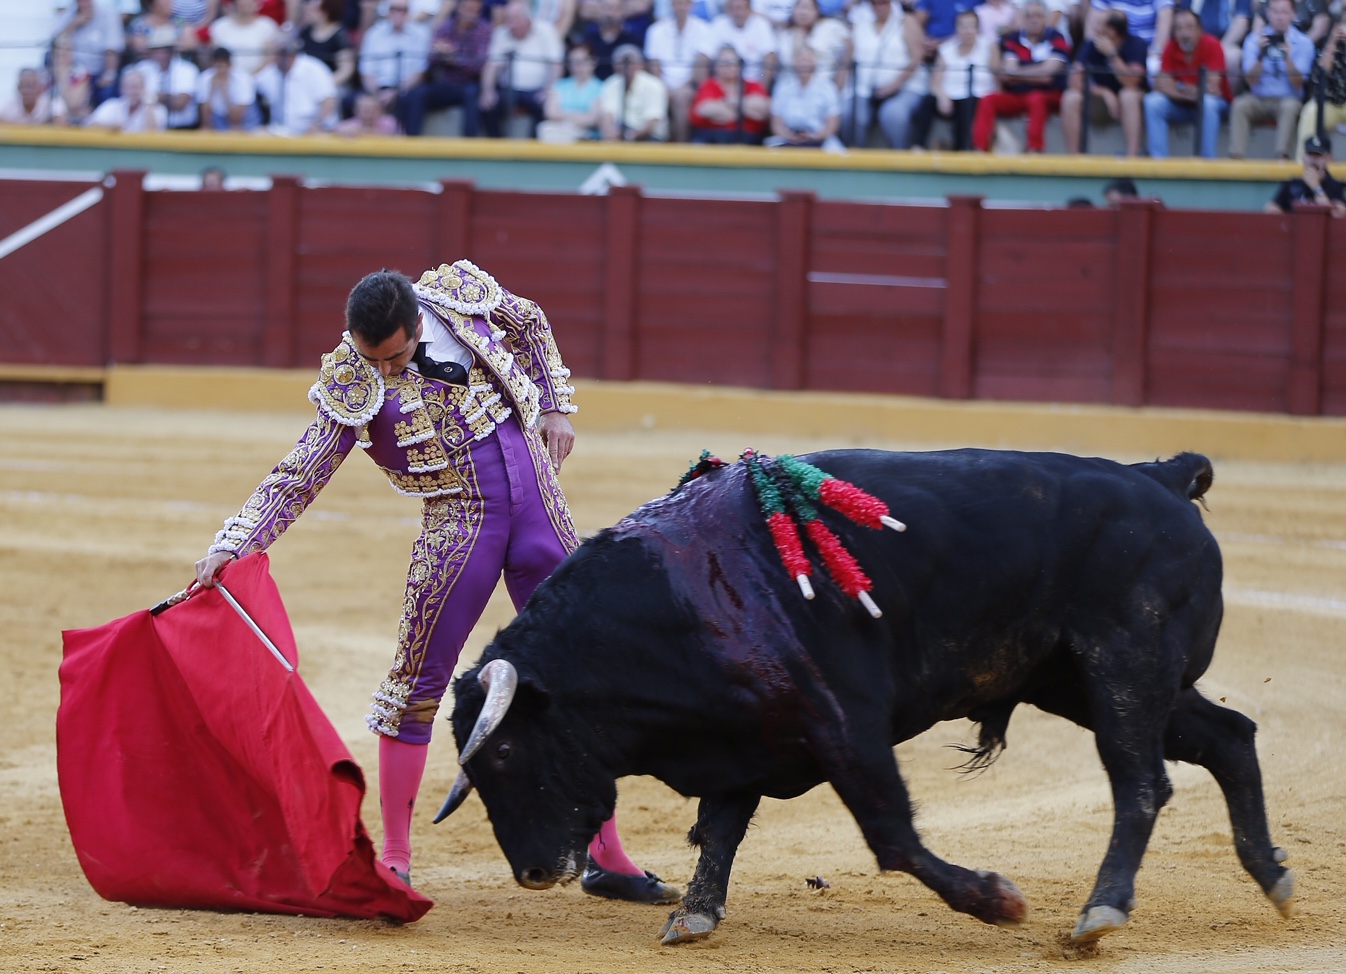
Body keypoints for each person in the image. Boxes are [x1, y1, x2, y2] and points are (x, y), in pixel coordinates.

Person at [193, 262, 681, 904]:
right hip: (459, 524)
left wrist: (555, 405)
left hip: (539, 504)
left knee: (584, 678)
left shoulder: (458, 299)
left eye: (394, 357)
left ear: (417, 324)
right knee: (415, 686)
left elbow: (529, 322)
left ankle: (606, 856)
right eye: (372, 359)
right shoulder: (352, 378)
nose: (384, 371)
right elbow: (302, 470)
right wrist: (236, 541)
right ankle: (395, 858)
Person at [971, 0, 1071, 152]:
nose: (1034, 20)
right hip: (1018, 95)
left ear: (1045, 18)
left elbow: (1048, 74)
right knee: (988, 100)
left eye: (1038, 15)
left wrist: (1019, 73)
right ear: (1023, 19)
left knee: (1036, 98)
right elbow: (1008, 73)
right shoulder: (1013, 38)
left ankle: (1034, 149)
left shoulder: (1057, 38)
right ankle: (979, 150)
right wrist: (1037, 73)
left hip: (1049, 95)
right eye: (1029, 16)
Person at [1228, 0, 1312, 159]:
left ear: (1293, 15)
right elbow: (1250, 81)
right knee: (1239, 105)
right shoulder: (1254, 40)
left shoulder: (1304, 42)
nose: (1279, 17)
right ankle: (1236, 159)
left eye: (1284, 12)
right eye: (1275, 11)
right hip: (1258, 98)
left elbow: (1298, 84)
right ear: (1267, 14)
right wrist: (1261, 55)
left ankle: (1281, 159)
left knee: (1290, 107)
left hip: (1287, 98)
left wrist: (1288, 58)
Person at [1144, 6, 1231, 158]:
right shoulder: (1171, 46)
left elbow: (1212, 89)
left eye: (1190, 28)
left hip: (1215, 107)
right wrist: (1189, 93)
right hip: (1182, 105)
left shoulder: (1212, 44)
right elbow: (1161, 85)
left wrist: (1177, 87)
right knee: (1152, 101)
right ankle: (1158, 162)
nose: (1184, 34)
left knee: (1208, 103)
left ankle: (1206, 163)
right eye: (1179, 29)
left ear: (1200, 30)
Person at [1060, 10, 1147, 156]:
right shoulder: (1090, 45)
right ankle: (1074, 159)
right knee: (1071, 98)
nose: (1094, 29)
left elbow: (1132, 82)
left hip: (1131, 103)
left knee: (1128, 96)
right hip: (1101, 102)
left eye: (1099, 25)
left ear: (1112, 31)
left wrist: (1112, 55)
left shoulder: (1136, 44)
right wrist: (1103, 92)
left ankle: (1132, 158)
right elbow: (1073, 80)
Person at [910, 7, 998, 149]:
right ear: (956, 28)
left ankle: (962, 150)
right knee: (928, 100)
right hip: (950, 97)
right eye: (963, 26)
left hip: (978, 98)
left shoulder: (989, 46)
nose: (967, 31)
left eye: (971, 26)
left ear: (977, 28)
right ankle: (918, 146)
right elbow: (935, 83)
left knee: (967, 104)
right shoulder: (946, 49)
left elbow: (996, 78)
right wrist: (942, 97)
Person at [400, 0, 492, 136]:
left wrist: (452, 57)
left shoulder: (484, 29)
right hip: (445, 83)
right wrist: (439, 53)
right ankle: (411, 141)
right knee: (417, 94)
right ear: (459, 9)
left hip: (469, 84)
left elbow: (478, 65)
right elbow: (430, 61)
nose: (471, 14)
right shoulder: (446, 26)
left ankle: (469, 144)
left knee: (472, 94)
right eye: (468, 9)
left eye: (475, 10)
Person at [844, 0, 928, 148]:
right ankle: (855, 156)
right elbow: (847, 61)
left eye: (884, 3)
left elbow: (917, 57)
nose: (880, 7)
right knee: (850, 113)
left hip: (905, 87)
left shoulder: (905, 20)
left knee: (893, 114)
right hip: (866, 89)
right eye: (875, 3)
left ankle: (901, 156)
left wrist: (895, 84)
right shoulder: (860, 24)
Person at [479, 0, 564, 138]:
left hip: (537, 91)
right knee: (487, 104)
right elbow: (491, 67)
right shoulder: (501, 33)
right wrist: (488, 91)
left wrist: (548, 90)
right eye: (509, 20)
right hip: (507, 89)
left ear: (527, 20)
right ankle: (497, 145)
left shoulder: (546, 31)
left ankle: (534, 147)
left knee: (544, 106)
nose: (511, 24)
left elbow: (556, 65)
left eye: (515, 20)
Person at [644, 0, 715, 141]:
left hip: (690, 86)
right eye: (677, 3)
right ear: (671, 6)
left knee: (681, 97)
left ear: (691, 5)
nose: (681, 7)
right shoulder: (656, 30)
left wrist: (685, 87)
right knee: (659, 95)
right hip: (662, 85)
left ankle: (681, 146)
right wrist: (662, 87)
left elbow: (701, 67)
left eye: (684, 3)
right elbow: (654, 65)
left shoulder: (704, 29)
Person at [360, 0, 434, 116]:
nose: (398, 13)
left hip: (407, 89)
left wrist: (395, 92)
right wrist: (376, 94)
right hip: (378, 88)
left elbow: (419, 72)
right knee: (354, 100)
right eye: (394, 9)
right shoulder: (374, 34)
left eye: (403, 10)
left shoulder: (420, 34)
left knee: (417, 98)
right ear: (387, 11)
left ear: (409, 12)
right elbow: (366, 71)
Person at [255, 39, 339, 135]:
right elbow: (250, 84)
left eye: (277, 55)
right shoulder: (271, 70)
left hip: (314, 130)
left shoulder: (314, 68)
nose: (274, 59)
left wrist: (317, 124)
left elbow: (328, 102)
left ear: (291, 56)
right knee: (257, 134)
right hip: (280, 131)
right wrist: (265, 62)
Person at [690, 43, 772, 141]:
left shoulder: (753, 85)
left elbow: (764, 109)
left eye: (733, 62)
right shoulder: (708, 85)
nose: (730, 66)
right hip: (712, 138)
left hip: (749, 139)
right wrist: (745, 111)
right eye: (725, 63)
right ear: (716, 66)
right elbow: (704, 110)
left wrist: (729, 102)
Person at [52, 0, 126, 107]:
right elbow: (55, 43)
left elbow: (112, 49)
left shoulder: (108, 16)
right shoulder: (68, 14)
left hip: (97, 72)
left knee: (108, 89)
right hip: (70, 69)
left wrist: (109, 74)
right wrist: (73, 24)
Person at [765, 43, 841, 145]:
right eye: (801, 60)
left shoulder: (827, 87)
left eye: (807, 60)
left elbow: (832, 124)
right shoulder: (783, 86)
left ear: (814, 63)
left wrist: (814, 137)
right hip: (788, 139)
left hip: (819, 140)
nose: (804, 64)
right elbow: (776, 123)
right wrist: (790, 136)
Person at [132, 25, 202, 130]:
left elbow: (180, 103)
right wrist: (162, 98)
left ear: (172, 50)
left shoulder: (188, 69)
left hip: (183, 129)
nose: (160, 55)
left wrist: (152, 97)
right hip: (151, 128)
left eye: (164, 50)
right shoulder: (142, 68)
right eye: (156, 50)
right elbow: (133, 98)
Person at [1296, 17, 1346, 162]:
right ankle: (1303, 167)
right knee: (1311, 112)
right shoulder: (1335, 40)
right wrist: (1332, 42)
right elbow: (1322, 72)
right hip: (1332, 103)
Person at [1174, 0, 1249, 95]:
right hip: (1197, 43)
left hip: (1226, 43)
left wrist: (1218, 49)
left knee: (1232, 57)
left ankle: (1230, 101)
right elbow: (1183, 19)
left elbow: (1241, 22)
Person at [775, 0, 852, 91]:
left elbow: (850, 46)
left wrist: (841, 79)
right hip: (792, 89)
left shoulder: (831, 28)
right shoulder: (785, 36)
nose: (803, 13)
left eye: (808, 8)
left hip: (826, 87)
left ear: (817, 11)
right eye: (800, 8)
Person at [598, 44, 670, 139]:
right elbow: (607, 114)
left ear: (640, 65)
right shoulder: (611, 83)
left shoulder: (654, 85)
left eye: (631, 63)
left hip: (649, 136)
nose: (626, 67)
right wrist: (610, 131)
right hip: (620, 133)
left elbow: (652, 121)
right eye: (621, 63)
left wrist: (629, 136)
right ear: (615, 66)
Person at [1264, 135, 1346, 214]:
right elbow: (1270, 209)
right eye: (1310, 154)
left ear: (1328, 158)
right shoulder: (1292, 185)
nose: (1313, 159)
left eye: (1318, 155)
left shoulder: (1337, 187)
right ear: (1303, 157)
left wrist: (1317, 188)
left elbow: (1335, 214)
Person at [707, 0, 779, 85]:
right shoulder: (719, 23)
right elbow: (706, 53)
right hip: (723, 83)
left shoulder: (760, 24)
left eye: (740, 8)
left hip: (753, 82)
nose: (738, 13)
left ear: (749, 9)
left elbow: (769, 55)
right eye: (734, 8)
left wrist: (762, 88)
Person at [210, 0, 283, 75]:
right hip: (226, 76)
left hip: (261, 76)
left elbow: (269, 58)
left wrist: (251, 76)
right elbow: (218, 58)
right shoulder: (219, 27)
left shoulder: (267, 25)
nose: (247, 2)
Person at [198, 46, 262, 130]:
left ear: (230, 64)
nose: (221, 70)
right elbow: (205, 122)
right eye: (218, 66)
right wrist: (212, 90)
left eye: (223, 65)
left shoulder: (243, 79)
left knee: (236, 130)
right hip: (218, 121)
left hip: (245, 123)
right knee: (205, 131)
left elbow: (237, 121)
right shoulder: (205, 78)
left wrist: (224, 91)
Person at [85, 69, 169, 132]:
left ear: (144, 88)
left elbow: (152, 133)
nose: (133, 92)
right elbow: (89, 125)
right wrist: (112, 128)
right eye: (129, 87)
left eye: (137, 87)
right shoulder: (112, 105)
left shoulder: (159, 109)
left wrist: (148, 104)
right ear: (122, 90)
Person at [0, 68, 69, 125]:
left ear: (40, 88)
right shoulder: (8, 107)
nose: (26, 91)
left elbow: (61, 124)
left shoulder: (51, 103)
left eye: (31, 86)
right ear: (18, 88)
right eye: (23, 86)